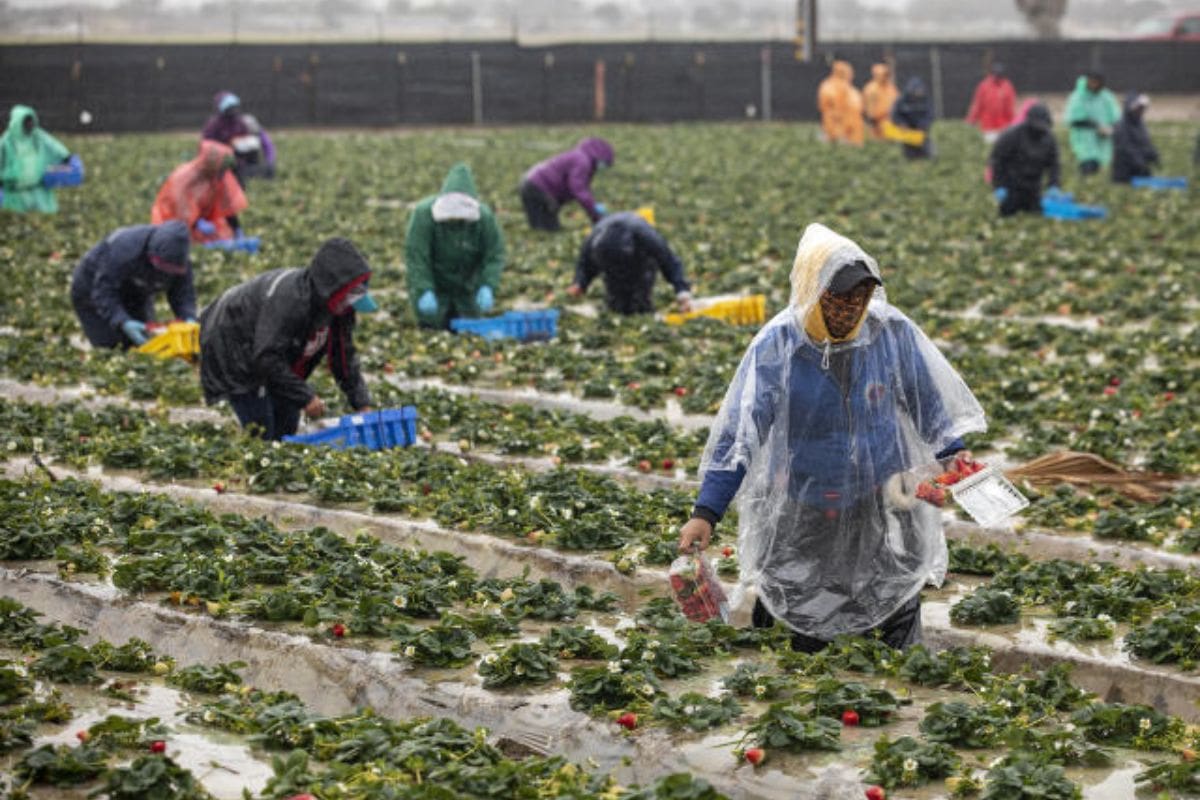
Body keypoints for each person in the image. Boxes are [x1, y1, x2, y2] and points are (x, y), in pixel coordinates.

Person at [677, 223, 986, 653]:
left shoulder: (888, 333)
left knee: (884, 597)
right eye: (838, 298)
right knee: (796, 604)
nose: (850, 309)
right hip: (804, 501)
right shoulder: (779, 345)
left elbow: (925, 400)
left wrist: (952, 452)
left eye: (859, 298)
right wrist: (706, 512)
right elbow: (739, 435)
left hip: (875, 497)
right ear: (812, 288)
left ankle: (883, 681)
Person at [199, 238, 377, 441]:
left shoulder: (340, 308)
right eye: (348, 295)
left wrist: (361, 404)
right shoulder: (291, 302)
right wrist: (306, 396)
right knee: (262, 432)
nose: (349, 302)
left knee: (286, 431)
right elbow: (266, 357)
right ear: (332, 287)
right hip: (231, 341)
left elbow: (343, 357)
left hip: (272, 353)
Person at [406, 163, 506, 329]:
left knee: (470, 330)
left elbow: (494, 255)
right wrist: (424, 290)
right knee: (431, 329)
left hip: (467, 290)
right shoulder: (423, 215)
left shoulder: (484, 218)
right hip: (434, 287)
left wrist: (487, 285)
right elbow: (417, 257)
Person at [70, 221, 196, 348]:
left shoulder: (180, 261)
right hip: (92, 293)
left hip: (136, 295)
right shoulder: (125, 249)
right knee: (110, 346)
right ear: (151, 254)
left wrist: (188, 317)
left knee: (147, 344)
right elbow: (104, 291)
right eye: (161, 268)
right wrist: (123, 321)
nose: (164, 274)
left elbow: (183, 293)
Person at [567, 210, 694, 315]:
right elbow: (584, 264)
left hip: (639, 262)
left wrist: (682, 291)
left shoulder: (646, 235)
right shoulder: (593, 240)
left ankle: (644, 309)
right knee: (617, 305)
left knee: (640, 300)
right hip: (610, 267)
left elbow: (669, 260)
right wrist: (579, 283)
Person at [152, 140, 248, 243]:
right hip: (172, 220)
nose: (222, 174)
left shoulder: (217, 178)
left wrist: (237, 228)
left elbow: (227, 206)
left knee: (222, 236)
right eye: (220, 170)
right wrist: (198, 223)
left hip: (202, 220)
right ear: (210, 166)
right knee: (181, 241)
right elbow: (179, 209)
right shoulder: (184, 178)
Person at [519, 137, 614, 231]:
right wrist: (596, 215)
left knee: (539, 228)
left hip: (529, 184)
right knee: (549, 229)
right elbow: (579, 189)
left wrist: (594, 208)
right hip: (538, 188)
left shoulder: (579, 156)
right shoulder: (583, 162)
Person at [989, 103, 1061, 217]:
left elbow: (1054, 164)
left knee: (1035, 216)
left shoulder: (1049, 139)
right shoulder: (1011, 135)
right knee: (1009, 216)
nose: (1039, 130)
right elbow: (997, 161)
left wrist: (1054, 185)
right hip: (1012, 186)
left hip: (1033, 187)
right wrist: (999, 186)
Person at [0, 105, 72, 213]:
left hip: (37, 186)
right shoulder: (7, 140)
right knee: (17, 215)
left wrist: (65, 155)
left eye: (31, 122)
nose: (30, 125)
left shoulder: (36, 135)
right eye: (26, 122)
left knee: (42, 212)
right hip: (15, 189)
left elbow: (51, 144)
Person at [201, 91, 276, 184]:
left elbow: (266, 143)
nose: (233, 111)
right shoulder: (213, 126)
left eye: (234, 107)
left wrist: (270, 161)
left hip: (245, 165)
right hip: (224, 167)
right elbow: (206, 148)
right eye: (228, 108)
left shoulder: (245, 123)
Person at [1065, 72, 1121, 176]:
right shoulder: (1078, 97)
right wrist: (1096, 126)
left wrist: (1110, 129)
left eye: (1097, 83)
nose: (1094, 85)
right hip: (1084, 142)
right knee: (1088, 166)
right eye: (1092, 82)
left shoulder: (1106, 97)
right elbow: (1074, 120)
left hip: (1103, 142)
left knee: (1101, 169)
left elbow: (1116, 117)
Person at [1111, 93, 1159, 184]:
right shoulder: (1122, 126)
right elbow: (1125, 148)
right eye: (1138, 108)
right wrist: (1139, 161)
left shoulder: (1139, 124)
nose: (1141, 111)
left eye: (1142, 109)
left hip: (1139, 170)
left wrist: (1153, 154)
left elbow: (1145, 143)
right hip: (1124, 174)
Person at [965, 63, 1017, 144]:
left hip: (1003, 128)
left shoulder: (1007, 86)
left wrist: (1014, 125)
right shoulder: (984, 86)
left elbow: (1010, 108)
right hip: (988, 128)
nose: (997, 77)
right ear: (992, 74)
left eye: (999, 75)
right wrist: (970, 121)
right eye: (996, 74)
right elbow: (977, 106)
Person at [817, 60, 864, 146]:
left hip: (853, 132)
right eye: (849, 72)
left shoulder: (850, 89)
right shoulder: (830, 87)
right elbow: (832, 109)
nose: (851, 75)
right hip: (840, 132)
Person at [892, 77, 934, 159]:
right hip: (906, 132)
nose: (918, 94)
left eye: (920, 92)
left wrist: (923, 126)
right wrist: (901, 123)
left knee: (926, 150)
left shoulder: (925, 101)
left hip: (920, 131)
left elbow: (929, 115)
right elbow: (895, 115)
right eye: (916, 92)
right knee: (908, 152)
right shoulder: (901, 101)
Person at [862, 63, 899, 141]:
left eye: (887, 74)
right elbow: (870, 114)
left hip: (893, 122)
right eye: (883, 74)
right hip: (879, 125)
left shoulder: (891, 88)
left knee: (916, 137)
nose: (885, 77)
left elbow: (898, 102)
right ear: (876, 75)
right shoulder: (871, 89)